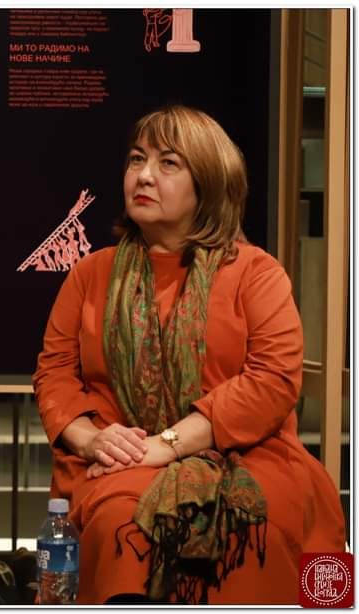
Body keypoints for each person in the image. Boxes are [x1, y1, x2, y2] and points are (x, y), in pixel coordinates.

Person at [33, 105, 345, 604]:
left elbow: (272, 382)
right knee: (121, 521)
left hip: (248, 455)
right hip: (119, 459)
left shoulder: (256, 273)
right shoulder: (90, 274)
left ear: (209, 184)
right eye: (137, 159)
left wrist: (170, 443)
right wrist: (93, 441)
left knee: (255, 522)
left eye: (169, 163)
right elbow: (55, 376)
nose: (144, 175)